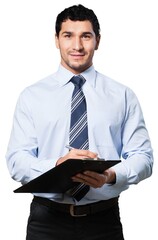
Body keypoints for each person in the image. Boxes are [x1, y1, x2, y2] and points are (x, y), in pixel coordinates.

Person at [6, 4, 153, 240]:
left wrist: (110, 176)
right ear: (56, 40)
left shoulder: (123, 95)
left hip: (103, 222)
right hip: (47, 223)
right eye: (68, 36)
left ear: (98, 40)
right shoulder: (31, 96)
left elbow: (144, 158)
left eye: (86, 36)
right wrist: (58, 165)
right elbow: (17, 161)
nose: (77, 46)